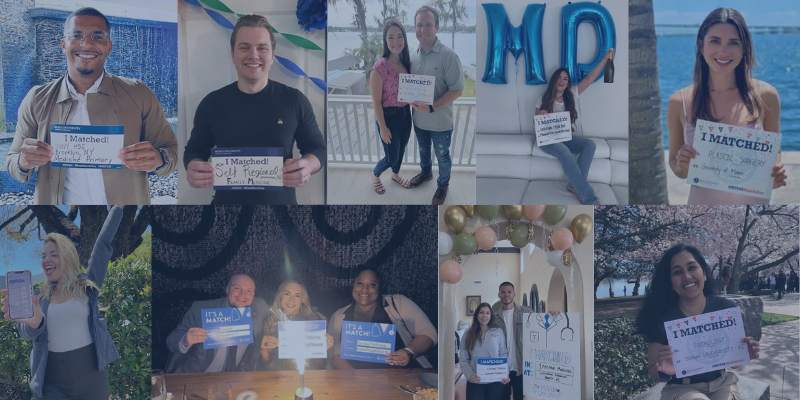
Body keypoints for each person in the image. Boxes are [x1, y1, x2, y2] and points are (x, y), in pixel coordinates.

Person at [4, 7, 177, 205]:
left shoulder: (139, 93)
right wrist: (23, 162)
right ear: (63, 44)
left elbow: (172, 151)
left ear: (109, 47)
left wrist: (158, 159)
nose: (86, 44)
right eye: (76, 35)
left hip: (124, 219)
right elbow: (12, 161)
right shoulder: (36, 98)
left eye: (98, 36)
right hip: (61, 216)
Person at [184, 14, 326, 205]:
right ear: (232, 55)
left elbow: (317, 149)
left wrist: (307, 165)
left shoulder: (295, 101)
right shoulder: (211, 103)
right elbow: (194, 151)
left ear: (272, 55)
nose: (254, 55)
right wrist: (193, 166)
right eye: (244, 47)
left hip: (282, 217)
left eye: (262, 48)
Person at [666, 8, 786, 204]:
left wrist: (774, 173)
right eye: (715, 41)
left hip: (754, 213)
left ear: (744, 47)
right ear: (701, 44)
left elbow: (774, 153)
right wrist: (683, 165)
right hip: (702, 212)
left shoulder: (767, 95)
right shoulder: (679, 102)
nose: (723, 51)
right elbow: (676, 167)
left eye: (733, 43)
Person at [1, 206, 122, 399]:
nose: (46, 260)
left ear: (67, 257)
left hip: (92, 379)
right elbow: (26, 333)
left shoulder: (87, 286)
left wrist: (118, 207)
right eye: (43, 256)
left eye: (53, 255)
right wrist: (35, 322)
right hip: (52, 382)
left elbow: (103, 244)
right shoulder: (37, 297)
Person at [635, 244, 760, 399]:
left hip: (722, 384)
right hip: (680, 388)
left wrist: (743, 353)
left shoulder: (725, 308)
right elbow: (654, 372)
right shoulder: (661, 318)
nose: (687, 276)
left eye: (692, 268)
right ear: (670, 283)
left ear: (704, 274)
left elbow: (734, 364)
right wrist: (664, 371)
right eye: (677, 272)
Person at [534, 49, 613, 205]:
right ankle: (589, 198)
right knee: (564, 152)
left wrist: (605, 59)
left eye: (565, 78)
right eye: (560, 77)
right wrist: (541, 115)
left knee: (589, 145)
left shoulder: (571, 94)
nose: (562, 80)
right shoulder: (543, 98)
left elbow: (590, 78)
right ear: (554, 80)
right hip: (547, 139)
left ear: (567, 82)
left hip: (564, 136)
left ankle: (573, 185)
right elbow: (535, 123)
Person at [407, 5, 464, 205]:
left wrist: (431, 107)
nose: (423, 30)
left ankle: (442, 185)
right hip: (419, 121)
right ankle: (425, 173)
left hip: (440, 122)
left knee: (442, 156)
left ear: (437, 27)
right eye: (419, 25)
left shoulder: (449, 56)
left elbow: (457, 89)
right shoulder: (411, 55)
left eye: (428, 25)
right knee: (423, 150)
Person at [329, 267, 437, 369]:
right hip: (358, 382)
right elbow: (335, 354)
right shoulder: (338, 316)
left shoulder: (398, 304)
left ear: (379, 287)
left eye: (372, 285)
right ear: (353, 285)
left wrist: (409, 352)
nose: (364, 289)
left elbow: (429, 333)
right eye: (360, 283)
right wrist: (356, 378)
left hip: (405, 377)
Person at [165, 274, 270, 373]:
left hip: (237, 376)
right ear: (227, 289)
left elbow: (277, 314)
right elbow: (171, 340)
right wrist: (185, 340)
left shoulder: (260, 307)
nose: (242, 295)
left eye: (249, 291)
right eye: (237, 288)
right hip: (200, 375)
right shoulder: (201, 309)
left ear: (254, 295)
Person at [369, 19, 413, 195]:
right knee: (390, 157)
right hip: (388, 117)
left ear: (404, 39)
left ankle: (395, 174)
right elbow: (376, 103)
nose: (396, 42)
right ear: (385, 41)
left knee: (401, 149)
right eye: (391, 37)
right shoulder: (379, 68)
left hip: (405, 113)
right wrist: (383, 127)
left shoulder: (406, 62)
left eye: (399, 36)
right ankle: (375, 174)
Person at [252, 280, 333, 371]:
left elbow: (318, 365)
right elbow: (270, 368)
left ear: (302, 299)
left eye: (297, 296)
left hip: (308, 377)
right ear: (280, 296)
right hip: (278, 379)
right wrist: (264, 350)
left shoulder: (313, 321)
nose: (291, 300)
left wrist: (322, 349)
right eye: (287, 294)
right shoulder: (270, 322)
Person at [459, 303, 510, 400]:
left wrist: (505, 373)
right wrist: (470, 375)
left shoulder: (498, 332)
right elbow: (463, 359)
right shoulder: (468, 333)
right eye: (481, 312)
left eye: (487, 313)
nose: (484, 316)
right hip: (475, 382)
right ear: (476, 315)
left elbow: (503, 354)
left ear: (491, 316)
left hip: (496, 382)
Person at [493, 282, 533, 400]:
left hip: (521, 367)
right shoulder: (494, 317)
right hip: (502, 367)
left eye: (509, 292)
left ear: (514, 294)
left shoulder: (527, 312)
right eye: (503, 292)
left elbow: (541, 328)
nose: (506, 294)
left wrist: (553, 315)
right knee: (502, 397)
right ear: (499, 295)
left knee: (519, 397)